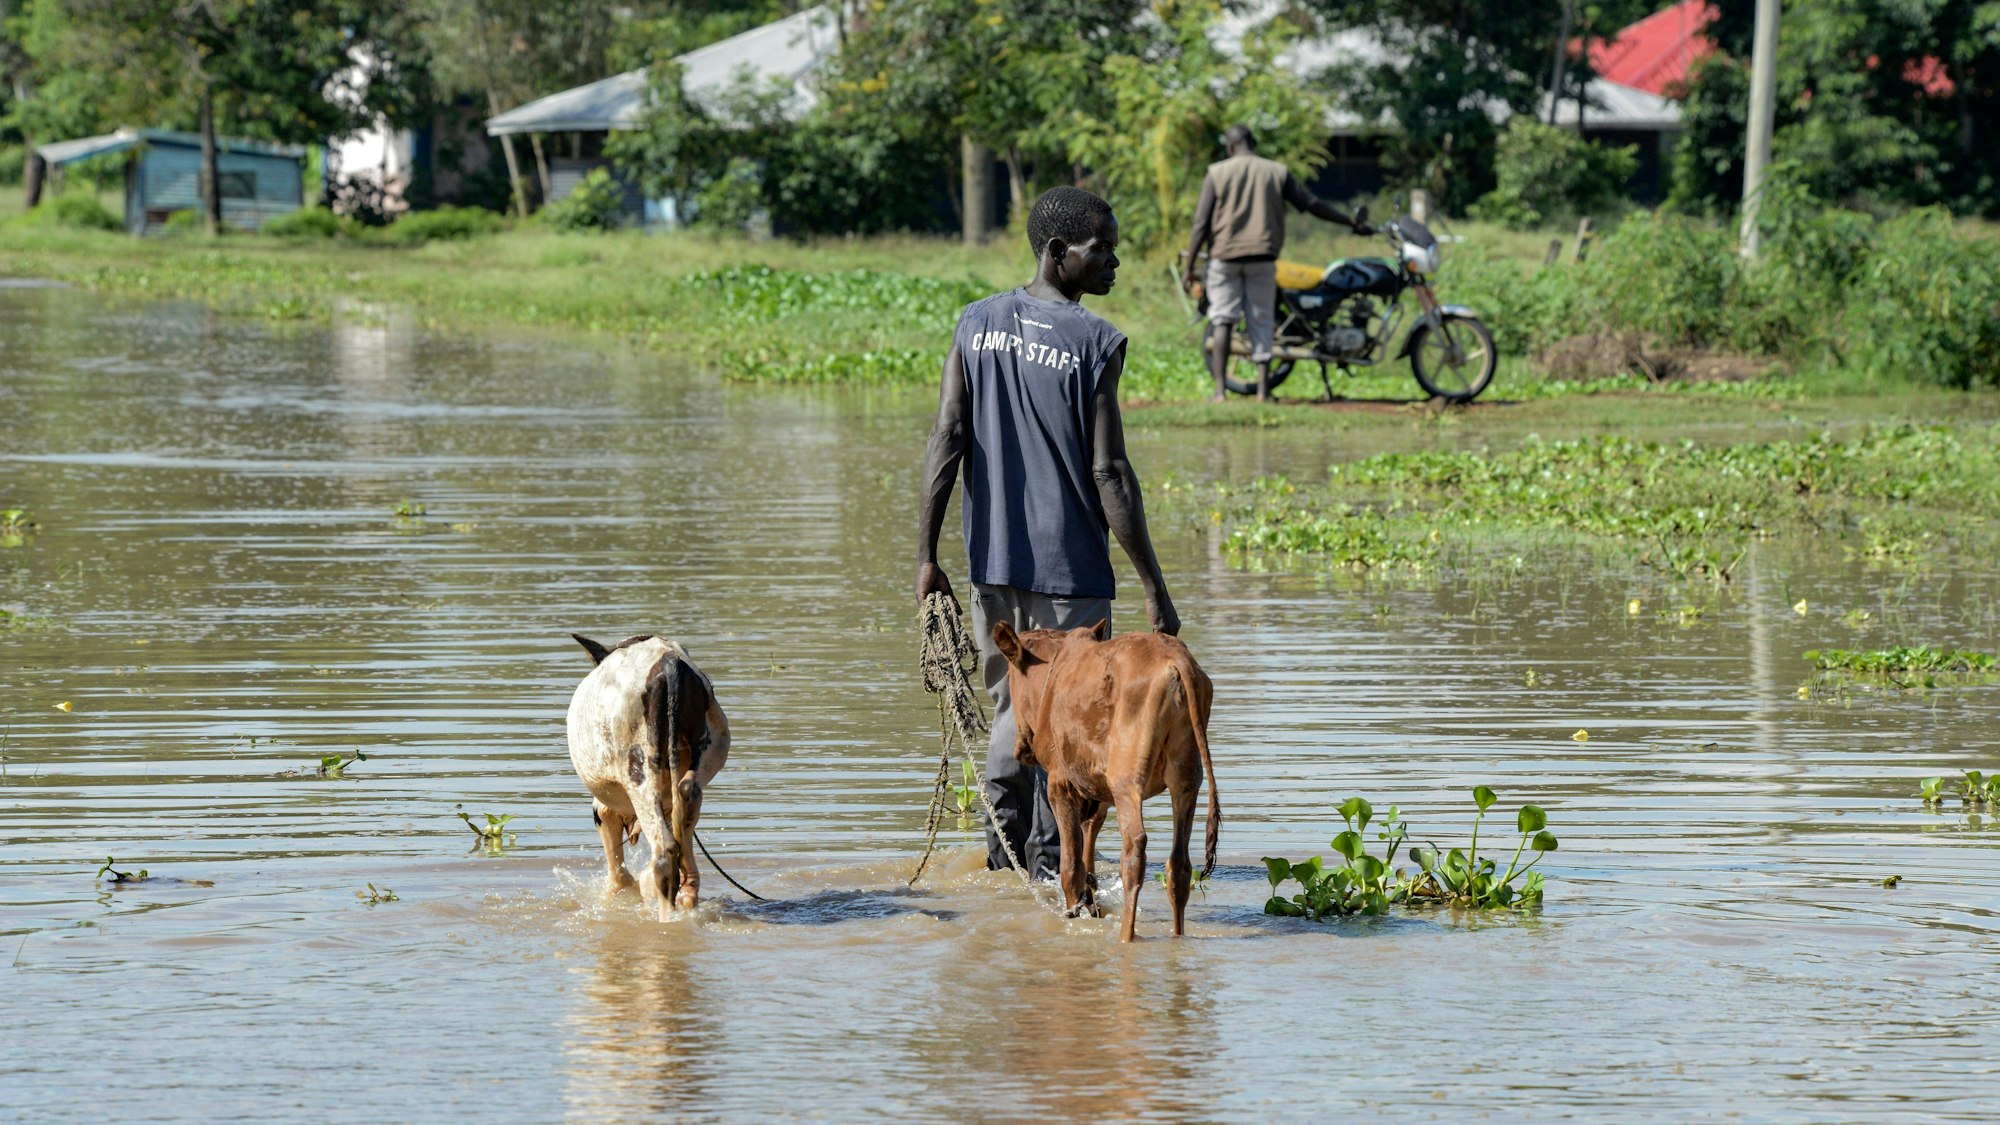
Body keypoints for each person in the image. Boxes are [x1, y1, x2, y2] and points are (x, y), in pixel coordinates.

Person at [916, 186, 1179, 880]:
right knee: (1069, 721)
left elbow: (947, 436)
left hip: (992, 563)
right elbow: (1110, 472)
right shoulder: (1095, 342)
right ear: (1059, 252)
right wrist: (1154, 584)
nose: (1114, 262)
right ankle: (1051, 866)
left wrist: (926, 556)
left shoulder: (975, 323)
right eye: (1103, 249)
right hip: (1072, 571)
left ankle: (1003, 861)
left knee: (1014, 708)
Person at [1182, 124, 1371, 403]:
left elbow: (1201, 223)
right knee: (1261, 320)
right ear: (1253, 144)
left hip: (1225, 258)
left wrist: (1189, 266)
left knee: (1223, 319)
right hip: (1262, 257)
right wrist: (1351, 223)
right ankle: (1262, 391)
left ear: (1230, 147)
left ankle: (1220, 391)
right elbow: (1312, 204)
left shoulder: (1216, 173)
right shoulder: (1276, 172)